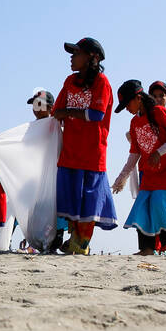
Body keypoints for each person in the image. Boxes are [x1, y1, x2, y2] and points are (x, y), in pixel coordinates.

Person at [111, 79, 166, 256]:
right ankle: (147, 248)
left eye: (127, 103)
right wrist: (122, 177)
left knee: (160, 204)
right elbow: (134, 154)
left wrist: (159, 152)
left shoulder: (159, 112)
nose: (126, 108)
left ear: (139, 98)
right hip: (150, 174)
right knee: (143, 205)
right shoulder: (134, 123)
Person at [51, 37, 116, 254]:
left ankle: (81, 244)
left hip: (92, 153)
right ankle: (74, 239)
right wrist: (70, 113)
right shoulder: (70, 81)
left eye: (76, 53)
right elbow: (56, 111)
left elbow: (96, 114)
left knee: (89, 201)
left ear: (92, 58)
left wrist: (69, 112)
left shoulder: (102, 82)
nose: (72, 57)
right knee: (70, 199)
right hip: (70, 151)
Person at [27, 88, 68, 253]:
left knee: (56, 210)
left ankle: (54, 243)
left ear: (51, 107)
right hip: (38, 177)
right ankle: (43, 243)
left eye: (40, 105)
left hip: (56, 175)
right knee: (40, 210)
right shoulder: (33, 128)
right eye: (34, 105)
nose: (36, 108)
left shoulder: (57, 124)